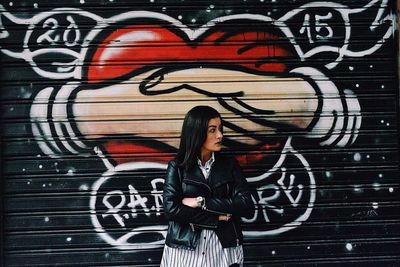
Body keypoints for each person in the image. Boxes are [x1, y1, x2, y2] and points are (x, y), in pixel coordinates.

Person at [161, 105, 254, 267]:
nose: (220, 135)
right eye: (212, 130)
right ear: (196, 133)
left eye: (220, 129)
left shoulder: (229, 165)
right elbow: (171, 209)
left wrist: (201, 202)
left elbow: (246, 205)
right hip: (184, 250)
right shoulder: (178, 167)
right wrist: (215, 218)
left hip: (223, 249)